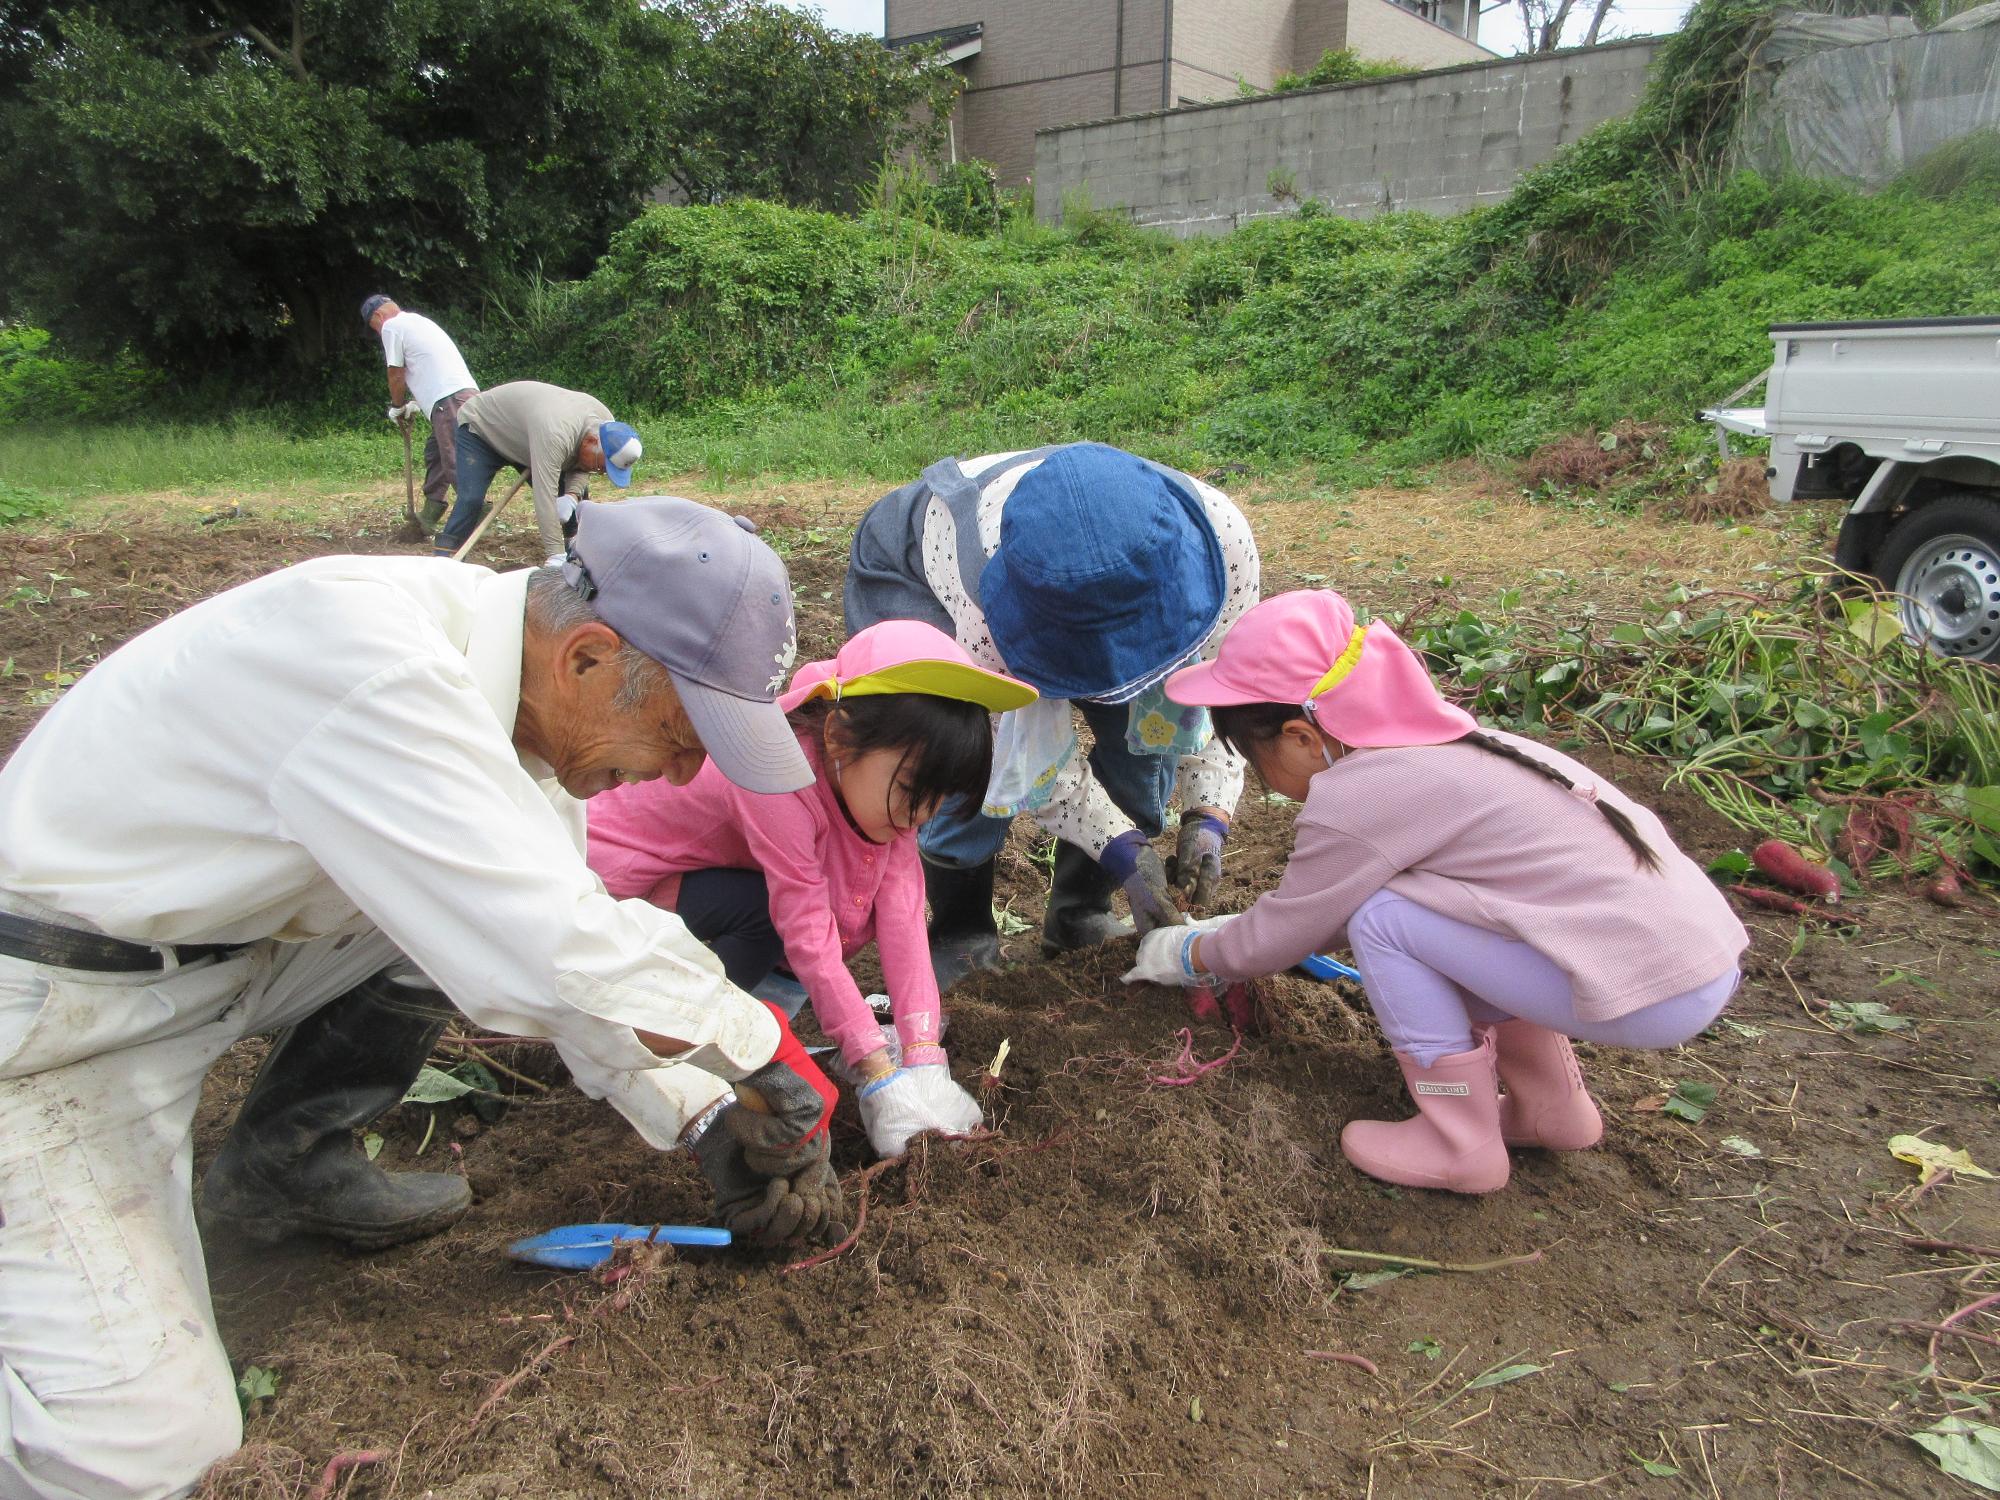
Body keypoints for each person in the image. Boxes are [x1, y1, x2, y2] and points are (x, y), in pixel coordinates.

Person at [0, 497, 847, 1500]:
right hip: (60, 1016)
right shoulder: (374, 666)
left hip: (218, 951)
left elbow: (556, 927)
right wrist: (758, 1049)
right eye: (680, 736)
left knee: (458, 920)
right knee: (142, 1451)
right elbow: (549, 944)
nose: (681, 774)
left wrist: (701, 1114)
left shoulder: (517, 707)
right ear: (585, 658)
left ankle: (284, 1166)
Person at [1123, 589, 1747, 1195]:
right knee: (1428, 910)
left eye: (1257, 761)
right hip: (1692, 961)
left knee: (1383, 920)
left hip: (1646, 990)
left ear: (1302, 738)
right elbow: (1324, 917)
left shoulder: (1359, 793)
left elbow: (1291, 933)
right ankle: (1550, 1107)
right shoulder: (1455, 746)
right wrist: (1243, 931)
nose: (1264, 778)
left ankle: (1459, 1142)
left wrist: (1188, 953)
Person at [587, 620, 1038, 1158]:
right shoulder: (775, 774)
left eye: (937, 798)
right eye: (911, 790)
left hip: (707, 878)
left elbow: (903, 916)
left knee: (816, 914)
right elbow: (807, 926)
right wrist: (875, 1068)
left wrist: (924, 1058)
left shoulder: (881, 790)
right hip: (616, 881)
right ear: (839, 737)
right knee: (782, 919)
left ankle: (756, 1030)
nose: (920, 815)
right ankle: (684, 1037)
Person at [844, 443, 1261, 990]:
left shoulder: (1221, 547)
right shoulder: (981, 603)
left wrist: (1209, 813)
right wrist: (1122, 849)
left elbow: (1224, 689)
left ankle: (1078, 914)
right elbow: (1028, 761)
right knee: (964, 754)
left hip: (1104, 577)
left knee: (1148, 742)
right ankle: (960, 931)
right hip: (922, 576)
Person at [438, 380, 643, 562]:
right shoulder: (556, 435)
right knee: (471, 499)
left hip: (525, 436)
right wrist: (554, 555)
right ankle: (445, 554)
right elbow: (545, 497)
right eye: (601, 467)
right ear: (591, 441)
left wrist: (571, 496)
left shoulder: (606, 425)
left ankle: (576, 549)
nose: (598, 472)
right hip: (483, 427)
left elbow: (583, 466)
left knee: (576, 499)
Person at [360, 294, 479, 532]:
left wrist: (398, 405)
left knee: (453, 459)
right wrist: (417, 402)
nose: (378, 333)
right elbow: (431, 366)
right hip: (460, 396)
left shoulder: (391, 326)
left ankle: (479, 516)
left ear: (378, 316)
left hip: (448, 400)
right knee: (436, 454)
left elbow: (396, 373)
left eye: (374, 328)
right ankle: (428, 516)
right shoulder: (419, 322)